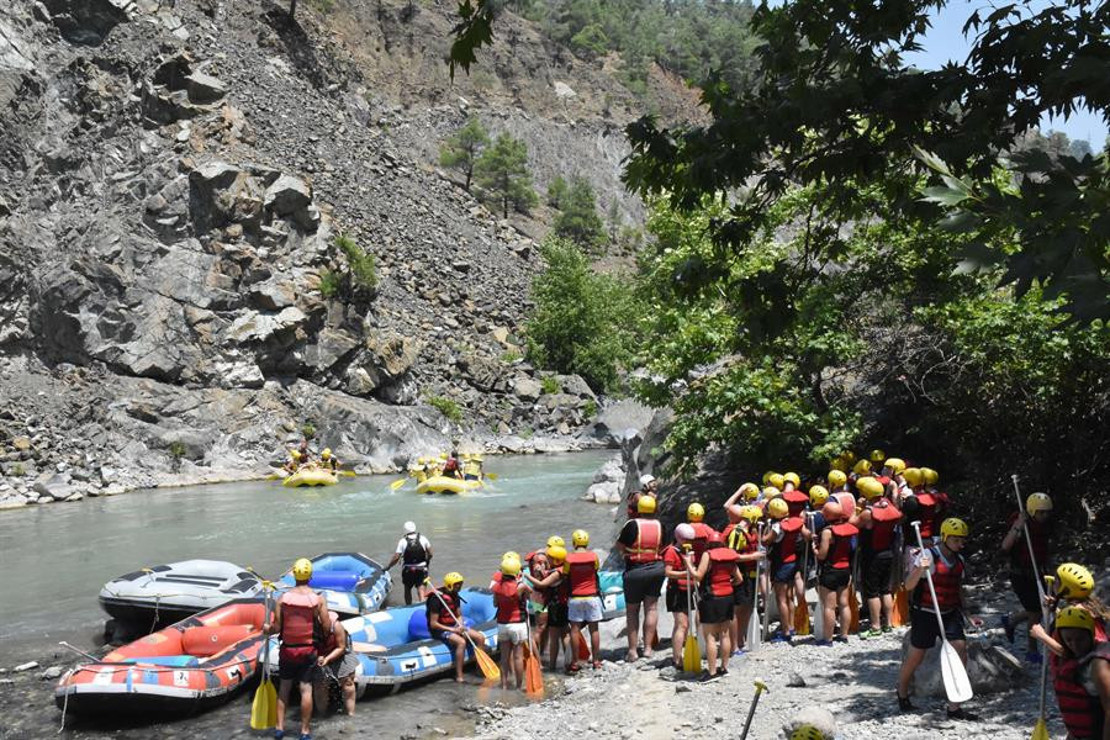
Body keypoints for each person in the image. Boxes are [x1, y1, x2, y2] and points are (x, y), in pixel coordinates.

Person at [896, 518, 979, 720]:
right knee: (916, 657)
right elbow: (908, 586)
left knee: (961, 653)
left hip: (950, 613)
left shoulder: (959, 561)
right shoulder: (928, 556)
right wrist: (919, 570)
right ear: (945, 537)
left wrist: (968, 615)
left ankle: (954, 707)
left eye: (962, 540)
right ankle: (902, 693)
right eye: (957, 540)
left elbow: (958, 590)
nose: (961, 544)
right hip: (926, 613)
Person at [264, 557, 330, 740]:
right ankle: (305, 731)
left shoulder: (282, 599)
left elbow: (276, 628)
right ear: (310, 576)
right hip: (308, 651)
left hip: (288, 651)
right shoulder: (318, 600)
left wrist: (266, 630)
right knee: (305, 689)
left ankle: (279, 729)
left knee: (284, 689)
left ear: (294, 575)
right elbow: (326, 626)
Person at [1032, 605, 1110, 739]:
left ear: (1091, 634)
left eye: (1080, 639)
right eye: (1068, 640)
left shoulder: (1099, 664)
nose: (1074, 645)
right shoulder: (1076, 657)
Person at [1001, 491, 1055, 662]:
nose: (1045, 516)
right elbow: (1005, 547)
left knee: (1042, 608)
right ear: (1032, 511)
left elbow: (1046, 552)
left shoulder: (1044, 527)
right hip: (1020, 574)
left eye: (1047, 512)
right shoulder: (1021, 525)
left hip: (1039, 572)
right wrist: (1018, 524)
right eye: (1041, 512)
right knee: (1036, 612)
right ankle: (1032, 650)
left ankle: (1011, 621)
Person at [616, 495, 665, 662]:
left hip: (635, 571)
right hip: (656, 570)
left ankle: (632, 650)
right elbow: (664, 546)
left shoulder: (632, 525)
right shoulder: (660, 525)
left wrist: (626, 553)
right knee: (651, 608)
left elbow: (620, 545)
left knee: (632, 611)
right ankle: (648, 649)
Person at [857, 475, 902, 636]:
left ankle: (875, 626)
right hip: (888, 552)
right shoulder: (889, 506)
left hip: (872, 555)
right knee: (885, 589)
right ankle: (888, 623)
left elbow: (853, 523)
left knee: (872, 592)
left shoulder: (868, 513)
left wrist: (858, 507)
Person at [694, 530, 742, 680]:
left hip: (711, 598)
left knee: (710, 637)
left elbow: (698, 576)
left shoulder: (707, 555)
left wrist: (689, 565)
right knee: (725, 634)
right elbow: (739, 579)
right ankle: (724, 668)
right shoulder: (729, 556)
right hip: (728, 597)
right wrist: (728, 584)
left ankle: (712, 672)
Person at [762, 497, 810, 642]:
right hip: (793, 561)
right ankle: (791, 625)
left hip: (781, 564)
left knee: (781, 599)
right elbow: (807, 534)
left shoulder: (777, 526)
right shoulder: (796, 522)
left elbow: (766, 541)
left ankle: (785, 632)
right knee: (789, 596)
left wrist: (761, 533)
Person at [426, 572, 487, 683]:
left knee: (480, 638)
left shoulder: (455, 595)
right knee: (461, 642)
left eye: (460, 584)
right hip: (440, 629)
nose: (459, 586)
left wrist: (460, 625)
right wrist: (453, 630)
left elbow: (458, 615)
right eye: (457, 584)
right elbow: (433, 624)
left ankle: (480, 669)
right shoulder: (436, 600)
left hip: (453, 625)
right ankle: (459, 675)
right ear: (450, 585)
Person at [815, 501, 858, 645]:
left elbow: (822, 555)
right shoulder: (848, 528)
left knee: (829, 606)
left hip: (830, 570)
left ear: (827, 515)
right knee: (844, 604)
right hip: (845, 570)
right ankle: (844, 635)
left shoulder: (827, 532)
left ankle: (828, 639)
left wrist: (815, 549)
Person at [724, 505, 765, 654]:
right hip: (739, 574)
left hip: (751, 574)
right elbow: (731, 555)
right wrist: (752, 557)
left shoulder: (752, 531)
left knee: (747, 608)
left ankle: (741, 640)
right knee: (737, 609)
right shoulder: (737, 533)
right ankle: (733, 644)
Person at [563, 530, 604, 672]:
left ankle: (575, 661)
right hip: (592, 596)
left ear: (574, 542)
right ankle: (596, 660)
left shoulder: (569, 558)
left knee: (574, 630)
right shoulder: (593, 556)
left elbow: (565, 574)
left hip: (575, 597)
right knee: (594, 629)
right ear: (587, 542)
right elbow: (596, 569)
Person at [491, 553, 531, 690]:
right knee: (518, 657)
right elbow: (530, 595)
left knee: (504, 657)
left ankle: (503, 685)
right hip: (518, 624)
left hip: (502, 624)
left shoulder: (496, 587)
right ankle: (519, 686)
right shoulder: (521, 586)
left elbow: (495, 604)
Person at [527, 545, 570, 670]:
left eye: (549, 558)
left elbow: (542, 583)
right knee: (549, 630)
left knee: (552, 633)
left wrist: (526, 577)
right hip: (549, 600)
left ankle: (550, 664)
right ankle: (564, 661)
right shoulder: (560, 568)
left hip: (553, 604)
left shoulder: (556, 572)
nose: (547, 559)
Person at [662, 523, 698, 670]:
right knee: (682, 624)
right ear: (678, 538)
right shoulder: (672, 551)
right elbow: (668, 572)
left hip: (688, 590)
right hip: (676, 591)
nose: (688, 543)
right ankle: (677, 659)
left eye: (690, 540)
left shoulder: (689, 551)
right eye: (685, 540)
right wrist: (685, 574)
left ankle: (678, 654)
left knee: (686, 625)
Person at [314, 609, 357, 717]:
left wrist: (327, 659)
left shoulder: (336, 626)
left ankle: (351, 713)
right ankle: (321, 714)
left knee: (348, 683)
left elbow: (341, 647)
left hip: (341, 653)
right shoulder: (311, 629)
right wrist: (317, 656)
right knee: (319, 686)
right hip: (320, 654)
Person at [386, 522, 433, 605]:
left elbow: (396, 557)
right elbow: (430, 553)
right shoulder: (423, 538)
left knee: (407, 589)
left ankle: (408, 607)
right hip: (421, 569)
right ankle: (422, 605)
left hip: (408, 570)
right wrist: (426, 561)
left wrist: (389, 566)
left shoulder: (402, 541)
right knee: (421, 590)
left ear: (404, 530)